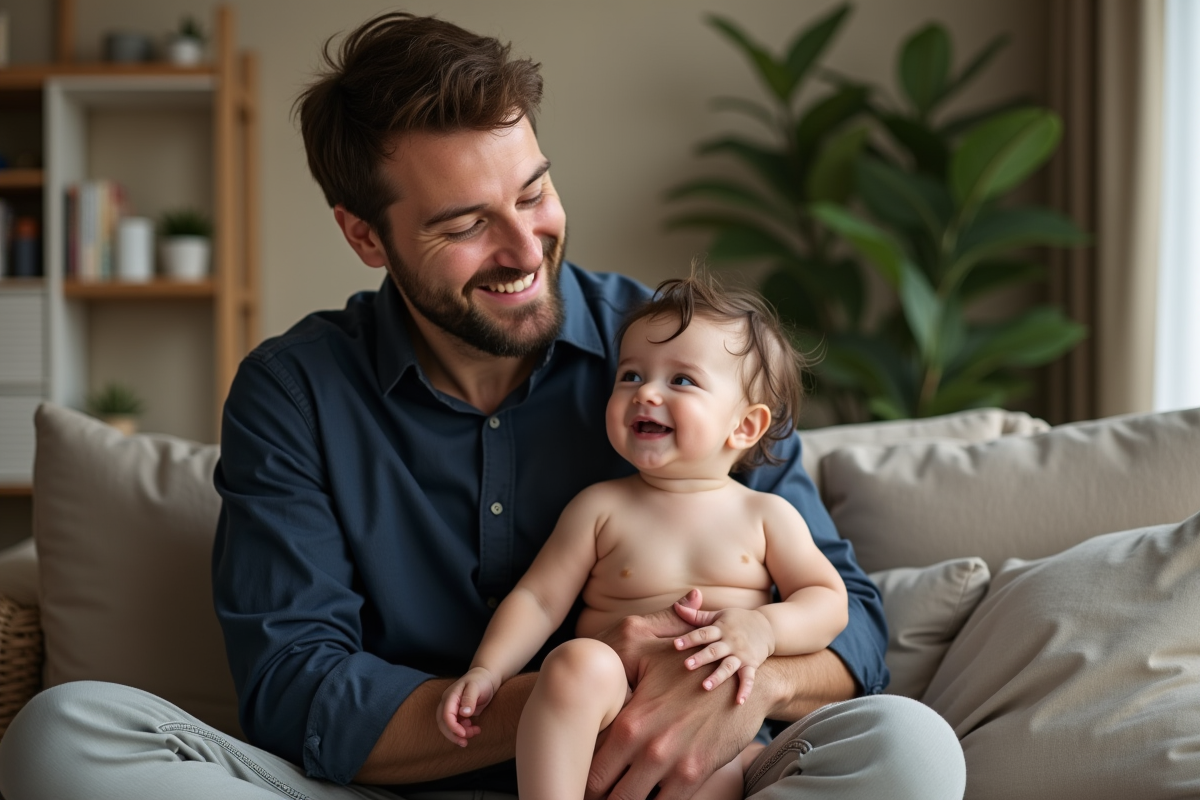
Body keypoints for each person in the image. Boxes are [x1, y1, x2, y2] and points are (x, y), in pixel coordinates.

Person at [0, 11, 965, 800]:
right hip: (391, 788)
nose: (524, 248)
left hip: (689, 774)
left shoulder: (688, 352)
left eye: (534, 194)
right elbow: (295, 691)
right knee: (64, 739)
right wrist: (570, 697)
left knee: (909, 751)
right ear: (364, 236)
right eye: (466, 225)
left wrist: (723, 684)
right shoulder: (293, 392)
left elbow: (857, 628)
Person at [438, 273, 851, 800]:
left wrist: (765, 630)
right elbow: (539, 599)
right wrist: (487, 671)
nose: (646, 393)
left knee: (730, 771)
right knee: (573, 664)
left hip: (708, 727)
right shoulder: (600, 507)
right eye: (630, 375)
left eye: (681, 381)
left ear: (745, 427)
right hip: (606, 713)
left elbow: (828, 600)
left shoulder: (767, 515)